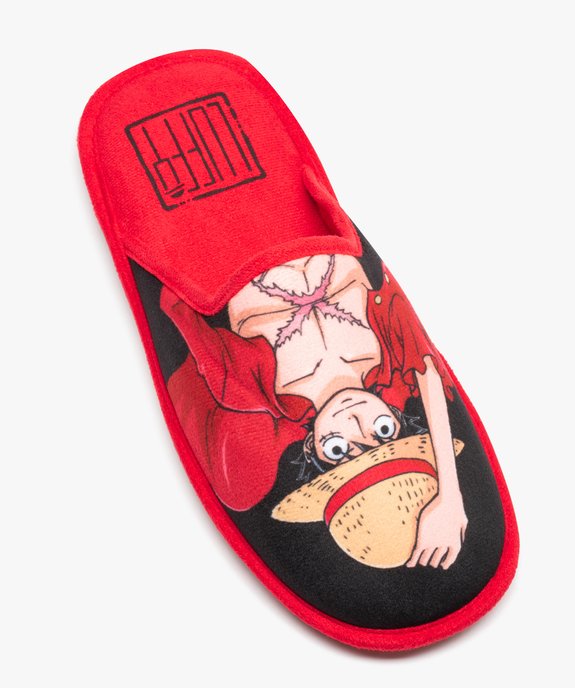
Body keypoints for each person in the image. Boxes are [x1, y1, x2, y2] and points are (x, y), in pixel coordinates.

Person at [161, 252, 468, 569]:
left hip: (219, 256)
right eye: (383, 431)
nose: (355, 422)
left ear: (313, 446)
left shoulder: (269, 389)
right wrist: (449, 494)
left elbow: (191, 330)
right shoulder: (386, 354)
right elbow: (425, 368)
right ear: (395, 415)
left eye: (339, 449)